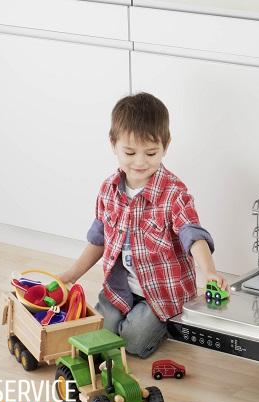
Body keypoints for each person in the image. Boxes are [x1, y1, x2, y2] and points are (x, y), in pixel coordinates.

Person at [60, 92, 227, 358]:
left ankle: (164, 324)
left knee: (133, 343)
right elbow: (98, 240)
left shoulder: (174, 193)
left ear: (165, 145)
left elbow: (193, 234)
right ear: (113, 144)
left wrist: (209, 271)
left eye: (151, 153)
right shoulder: (109, 190)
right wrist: (69, 276)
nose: (140, 162)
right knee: (97, 331)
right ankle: (127, 320)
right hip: (121, 289)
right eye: (129, 152)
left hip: (161, 294)